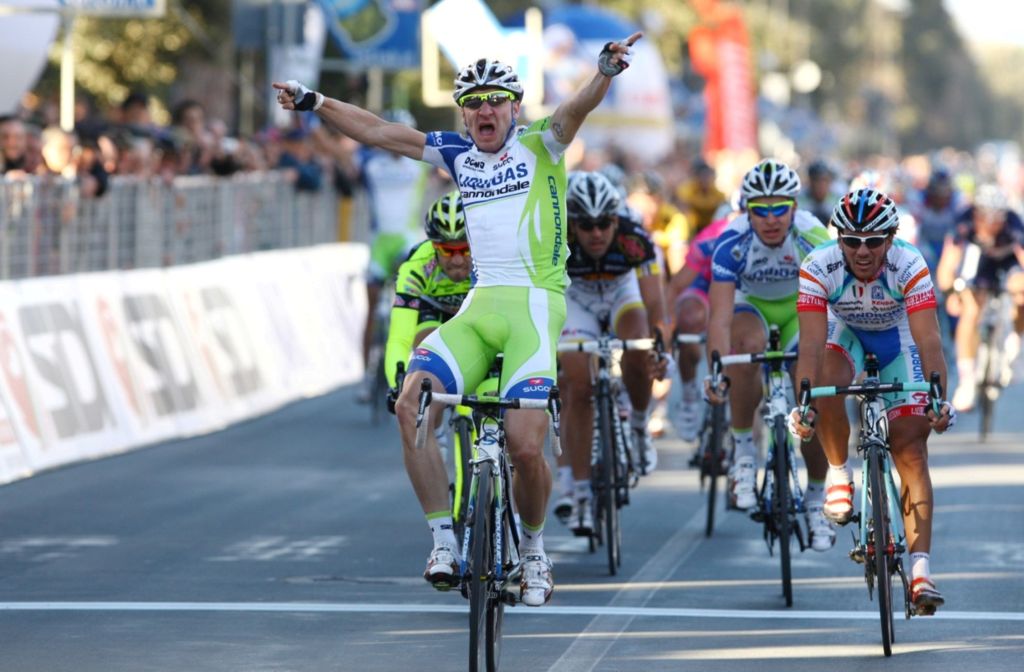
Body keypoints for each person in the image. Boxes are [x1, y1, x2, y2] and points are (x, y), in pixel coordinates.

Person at [273, 32, 642, 607]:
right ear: (464, 116)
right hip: (479, 307)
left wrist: (604, 73)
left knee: (524, 448)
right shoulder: (454, 153)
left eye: (496, 100)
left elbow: (576, 108)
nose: (485, 110)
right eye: (473, 103)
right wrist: (314, 101)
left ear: (514, 106)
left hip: (534, 308)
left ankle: (537, 552)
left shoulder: (542, 143)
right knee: (411, 403)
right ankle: (444, 539)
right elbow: (375, 130)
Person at [790, 187, 955, 615]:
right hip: (844, 332)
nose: (862, 251)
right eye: (852, 240)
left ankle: (920, 570)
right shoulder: (818, 266)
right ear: (837, 238)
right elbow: (808, 347)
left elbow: (928, 341)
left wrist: (937, 399)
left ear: (891, 238)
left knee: (911, 449)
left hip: (898, 339)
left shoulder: (910, 263)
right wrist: (803, 404)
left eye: (874, 241)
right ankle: (839, 473)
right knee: (826, 378)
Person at [704, 158, 835, 552]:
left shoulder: (813, 236)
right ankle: (744, 452)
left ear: (795, 206)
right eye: (760, 209)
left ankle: (816, 498)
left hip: (800, 312)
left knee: (813, 399)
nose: (771, 218)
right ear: (747, 210)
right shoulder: (732, 241)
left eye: (780, 208)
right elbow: (720, 319)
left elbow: (837, 303)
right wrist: (716, 371)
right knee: (743, 351)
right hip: (752, 309)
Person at [554, 171, 667, 534]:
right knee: (578, 386)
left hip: (622, 293)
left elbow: (655, 305)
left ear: (616, 219)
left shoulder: (634, 238)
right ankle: (582, 494)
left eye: (604, 223)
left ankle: (637, 425)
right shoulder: (556, 238)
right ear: (573, 223)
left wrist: (659, 343)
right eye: (587, 225)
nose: (597, 233)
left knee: (638, 347)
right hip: (577, 299)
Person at [337, 109, 435, 403]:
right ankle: (367, 379)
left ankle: (416, 373)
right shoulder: (370, 164)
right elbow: (343, 155)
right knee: (371, 310)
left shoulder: (420, 164)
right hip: (379, 243)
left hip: (408, 240)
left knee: (414, 310)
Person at [935, 184, 1024, 411]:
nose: (993, 225)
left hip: (1007, 264)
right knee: (971, 310)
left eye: (998, 219)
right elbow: (948, 264)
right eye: (987, 218)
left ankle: (1014, 344)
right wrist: (951, 293)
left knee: (1021, 293)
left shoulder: (1014, 223)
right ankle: (967, 381)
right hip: (977, 264)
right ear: (977, 215)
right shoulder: (963, 221)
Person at [666, 202, 741, 442]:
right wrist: (667, 328)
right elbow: (677, 285)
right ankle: (689, 395)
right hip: (705, 288)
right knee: (689, 316)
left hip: (746, 292)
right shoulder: (711, 238)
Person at [384, 190, 473, 391]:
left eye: (465, 249)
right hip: (433, 312)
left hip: (475, 314)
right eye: (448, 251)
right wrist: (396, 384)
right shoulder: (417, 266)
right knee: (429, 353)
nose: (457, 260)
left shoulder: (491, 258)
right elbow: (400, 337)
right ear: (434, 246)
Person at [675, 157, 726, 238]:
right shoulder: (687, 189)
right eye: (701, 176)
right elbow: (683, 204)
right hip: (694, 228)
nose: (704, 180)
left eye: (707, 176)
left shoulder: (715, 192)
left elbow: (722, 202)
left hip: (711, 226)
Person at [801, 159, 844, 226]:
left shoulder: (838, 201)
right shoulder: (800, 200)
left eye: (824, 180)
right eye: (816, 180)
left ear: (830, 182)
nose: (821, 185)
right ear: (809, 182)